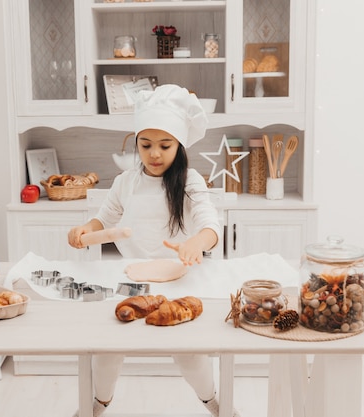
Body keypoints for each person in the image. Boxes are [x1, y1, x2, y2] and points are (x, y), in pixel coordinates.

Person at [67, 84, 240, 417]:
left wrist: (195, 244)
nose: (155, 154)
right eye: (145, 145)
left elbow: (210, 226)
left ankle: (215, 405)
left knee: (189, 352)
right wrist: (86, 230)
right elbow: (103, 219)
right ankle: (99, 404)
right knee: (108, 346)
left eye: (165, 145)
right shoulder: (125, 182)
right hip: (132, 279)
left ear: (180, 145)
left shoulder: (189, 181)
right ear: (136, 143)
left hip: (180, 276)